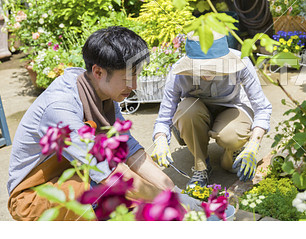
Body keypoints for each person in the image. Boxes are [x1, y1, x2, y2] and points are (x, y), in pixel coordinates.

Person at [7, 26, 199, 221]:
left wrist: (173, 190)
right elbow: (111, 176)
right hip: (34, 196)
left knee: (141, 197)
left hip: (79, 174)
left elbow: (130, 150)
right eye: (126, 78)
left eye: (136, 76)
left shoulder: (103, 93)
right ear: (98, 72)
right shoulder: (60, 107)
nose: (134, 86)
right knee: (125, 195)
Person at [151, 31, 272, 188]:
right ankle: (201, 166)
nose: (206, 73)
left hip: (232, 107)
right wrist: (160, 140)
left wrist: (253, 146)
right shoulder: (178, 73)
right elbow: (164, 118)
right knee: (186, 110)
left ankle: (233, 153)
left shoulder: (241, 63)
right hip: (196, 112)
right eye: (200, 68)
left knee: (230, 147)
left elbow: (262, 108)